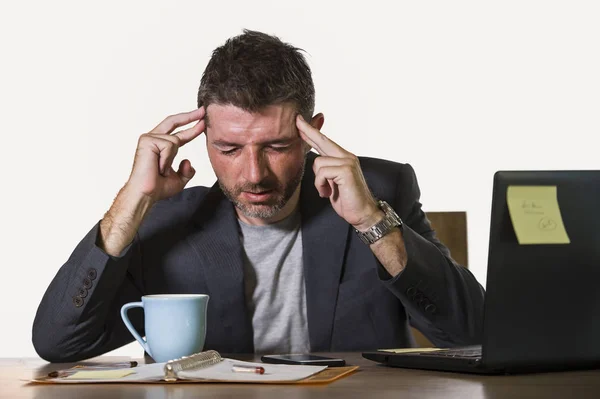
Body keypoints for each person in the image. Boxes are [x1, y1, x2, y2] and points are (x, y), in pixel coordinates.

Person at [33, 30, 485, 363]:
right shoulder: (163, 219)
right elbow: (59, 344)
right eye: (228, 149)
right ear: (203, 137)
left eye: (277, 146)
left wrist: (371, 222)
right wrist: (130, 201)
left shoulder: (380, 192)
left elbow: (473, 333)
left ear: (313, 134)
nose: (253, 174)